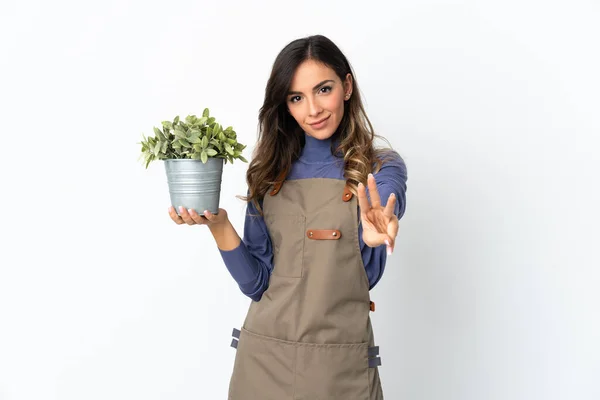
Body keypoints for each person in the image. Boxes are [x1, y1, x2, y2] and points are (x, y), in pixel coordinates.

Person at [168, 34, 407, 400]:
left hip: (339, 369)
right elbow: (257, 284)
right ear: (286, 106)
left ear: (346, 86)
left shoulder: (380, 167)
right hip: (264, 362)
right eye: (297, 97)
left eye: (323, 89)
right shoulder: (269, 173)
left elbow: (388, 196)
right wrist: (218, 225)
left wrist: (382, 222)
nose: (313, 109)